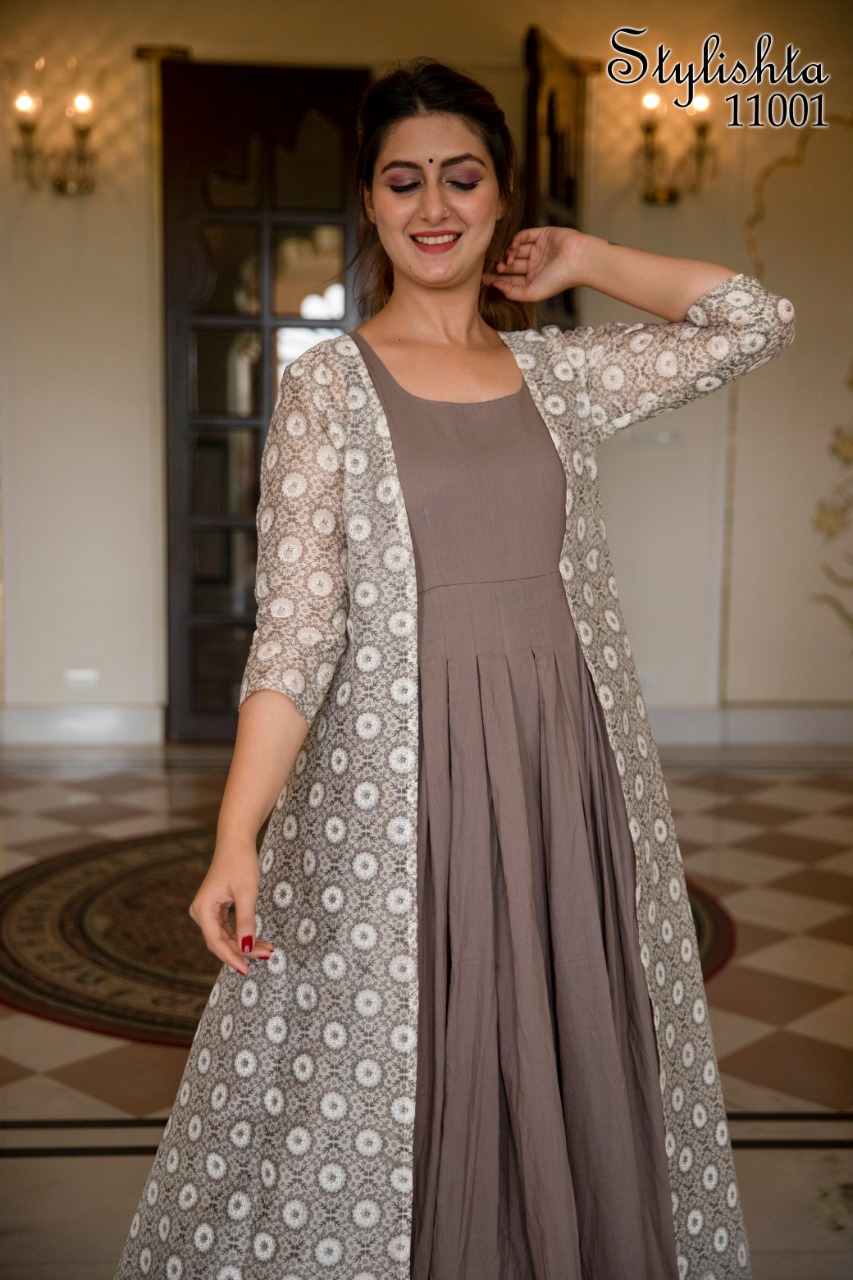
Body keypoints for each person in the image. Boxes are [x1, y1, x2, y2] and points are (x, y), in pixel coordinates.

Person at [115, 56, 795, 1280]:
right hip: (402, 784)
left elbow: (754, 319)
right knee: (408, 1049)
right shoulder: (328, 387)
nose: (433, 205)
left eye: (462, 177)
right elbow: (296, 628)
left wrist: (586, 259)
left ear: (501, 198)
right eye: (403, 181)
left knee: (574, 1035)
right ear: (368, 203)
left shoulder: (560, 373)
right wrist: (235, 834)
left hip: (563, 772)